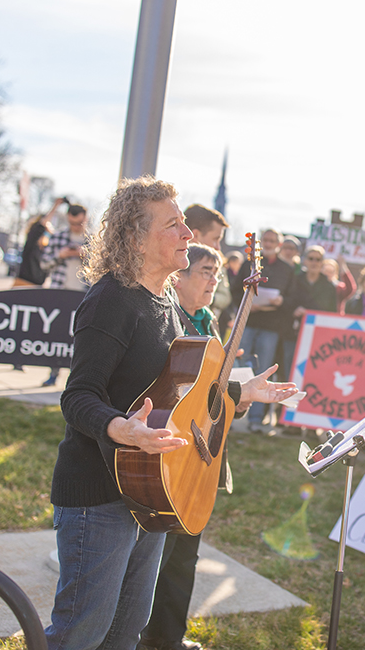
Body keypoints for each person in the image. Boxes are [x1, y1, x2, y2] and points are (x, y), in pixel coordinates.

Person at [45, 176, 296, 650]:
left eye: (186, 224)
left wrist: (240, 393)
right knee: (81, 634)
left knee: (125, 632)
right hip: (98, 494)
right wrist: (124, 429)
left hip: (150, 489)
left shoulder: (169, 306)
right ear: (136, 237)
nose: (189, 234)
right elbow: (77, 398)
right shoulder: (111, 300)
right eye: (175, 225)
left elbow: (179, 397)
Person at [141, 242, 226, 650]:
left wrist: (240, 394)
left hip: (199, 455)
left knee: (183, 556)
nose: (214, 279)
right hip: (166, 449)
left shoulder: (210, 325)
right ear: (181, 276)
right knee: (156, 554)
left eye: (218, 273)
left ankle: (168, 639)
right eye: (207, 270)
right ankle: (137, 635)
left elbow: (216, 400)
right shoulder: (169, 320)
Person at [237, 228, 295, 430]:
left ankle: (255, 420)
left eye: (273, 240)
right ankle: (232, 412)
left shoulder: (287, 270)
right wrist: (247, 305)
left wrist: (281, 301)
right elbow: (236, 290)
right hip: (248, 323)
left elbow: (291, 299)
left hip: (271, 327)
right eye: (266, 240)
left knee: (263, 371)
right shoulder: (248, 264)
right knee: (239, 367)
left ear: (279, 244)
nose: (269, 243)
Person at [41, 202, 91, 387]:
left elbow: (104, 269)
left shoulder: (93, 240)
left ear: (85, 220)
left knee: (80, 340)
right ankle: (53, 373)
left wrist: (86, 256)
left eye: (79, 224)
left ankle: (74, 380)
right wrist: (60, 256)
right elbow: (44, 264)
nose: (76, 227)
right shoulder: (59, 237)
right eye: (72, 223)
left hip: (85, 295)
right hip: (60, 292)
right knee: (57, 334)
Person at [282, 246, 338, 379]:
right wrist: (294, 310)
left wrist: (309, 312)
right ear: (305, 261)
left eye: (318, 259)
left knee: (310, 373)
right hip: (292, 333)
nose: (314, 262)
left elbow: (331, 312)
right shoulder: (295, 279)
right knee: (288, 371)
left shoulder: (329, 286)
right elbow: (285, 301)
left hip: (316, 337)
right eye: (311, 258)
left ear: (322, 262)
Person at [182, 204, 232, 317]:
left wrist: (207, 296)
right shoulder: (170, 262)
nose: (218, 247)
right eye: (215, 239)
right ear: (195, 235)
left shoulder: (218, 264)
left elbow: (225, 297)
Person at [14, 197, 62, 287]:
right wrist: (56, 206)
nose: (48, 232)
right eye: (46, 230)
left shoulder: (47, 249)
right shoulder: (32, 242)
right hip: (23, 283)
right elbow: (41, 225)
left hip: (37, 287)